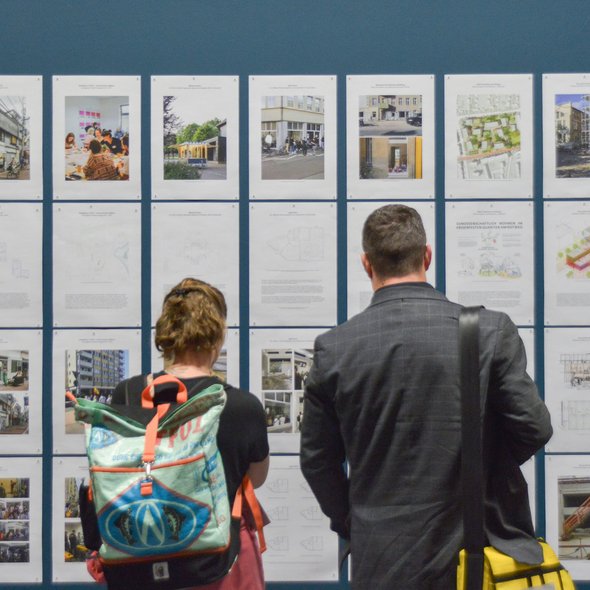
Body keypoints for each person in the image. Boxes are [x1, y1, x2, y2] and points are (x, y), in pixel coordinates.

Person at [299, 204, 552, 589]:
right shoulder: (489, 332)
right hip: (472, 554)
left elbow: (317, 460)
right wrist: (479, 465)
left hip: (379, 560)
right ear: (427, 256)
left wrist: (352, 519)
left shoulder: (334, 348)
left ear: (367, 264)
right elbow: (534, 428)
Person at [109, 278, 269, 589]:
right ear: (218, 336)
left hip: (141, 560)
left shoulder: (127, 393)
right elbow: (256, 478)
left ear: (166, 333)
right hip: (218, 562)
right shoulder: (242, 406)